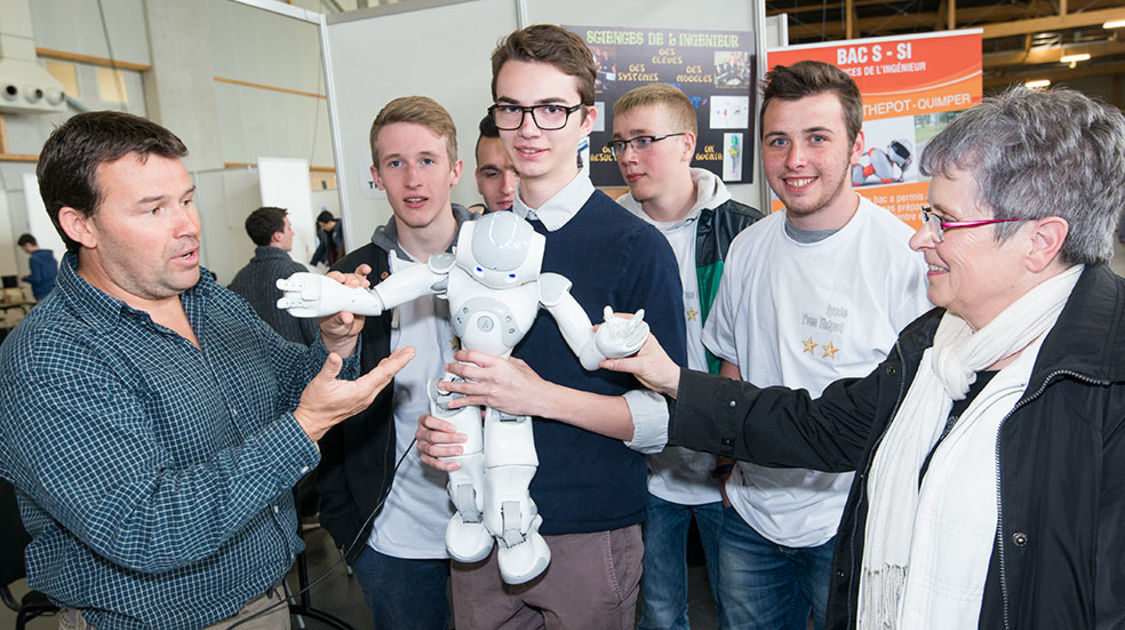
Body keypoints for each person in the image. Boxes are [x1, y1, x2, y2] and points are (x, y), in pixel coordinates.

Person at [598, 86, 1125, 629]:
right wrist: (671, 378)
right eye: (928, 215)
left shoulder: (1105, 388)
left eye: (946, 220)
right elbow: (819, 426)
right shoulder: (937, 341)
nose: (921, 238)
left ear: (1041, 241)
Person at [0, 110, 412, 629]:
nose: (188, 226)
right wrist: (306, 426)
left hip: (267, 595)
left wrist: (336, 339)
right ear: (80, 224)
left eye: (187, 200)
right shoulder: (51, 357)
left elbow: (290, 385)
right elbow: (145, 527)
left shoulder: (208, 300)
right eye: (153, 210)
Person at [418, 24, 686, 629]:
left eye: (551, 109)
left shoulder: (634, 246)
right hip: (481, 528)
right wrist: (445, 429)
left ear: (587, 120)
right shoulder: (474, 243)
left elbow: (667, 418)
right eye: (512, 109)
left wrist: (537, 397)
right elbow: (471, 370)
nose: (529, 128)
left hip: (587, 533)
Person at [701, 60, 932, 630]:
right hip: (750, 519)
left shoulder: (905, 258)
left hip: (853, 523)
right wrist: (729, 473)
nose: (794, 160)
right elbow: (732, 365)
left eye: (817, 138)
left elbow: (923, 400)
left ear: (857, 145)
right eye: (778, 141)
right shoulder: (748, 248)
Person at [316, 95, 475, 630]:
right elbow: (322, 407)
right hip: (391, 533)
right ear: (376, 176)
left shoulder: (498, 263)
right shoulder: (350, 279)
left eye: (427, 160)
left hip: (495, 520)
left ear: (455, 170)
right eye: (395, 163)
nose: (413, 179)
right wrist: (347, 524)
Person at [608, 82, 763, 629]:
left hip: (730, 460)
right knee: (658, 610)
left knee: (744, 609)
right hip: (643, 460)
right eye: (619, 143)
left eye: (644, 140)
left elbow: (758, 346)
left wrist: (739, 446)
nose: (628, 156)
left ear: (686, 145)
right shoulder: (609, 234)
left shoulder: (745, 230)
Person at [229, 206, 318, 346]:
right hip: (298, 362)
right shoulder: (295, 273)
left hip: (256, 365)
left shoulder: (239, 279)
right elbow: (312, 330)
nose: (293, 233)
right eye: (289, 228)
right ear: (277, 236)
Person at [474, 115, 518, 212]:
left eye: (519, 172)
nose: (507, 188)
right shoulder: (468, 225)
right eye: (492, 174)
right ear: (478, 181)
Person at [17, 233, 58, 300]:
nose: (25, 251)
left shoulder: (34, 259)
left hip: (42, 293)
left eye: (24, 248)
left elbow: (37, 280)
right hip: (54, 292)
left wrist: (25, 278)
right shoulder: (50, 256)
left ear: (28, 245)